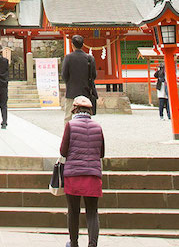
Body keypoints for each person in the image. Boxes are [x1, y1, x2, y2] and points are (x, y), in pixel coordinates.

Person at [60, 95, 104, 247]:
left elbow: (63, 151)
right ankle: (92, 244)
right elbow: (102, 152)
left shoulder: (70, 126)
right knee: (92, 211)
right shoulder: (97, 127)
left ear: (75, 109)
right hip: (92, 174)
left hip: (74, 174)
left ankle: (73, 243)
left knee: (73, 210)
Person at [62, 34, 96, 117]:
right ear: (83, 45)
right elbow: (93, 75)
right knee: (85, 114)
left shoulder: (68, 58)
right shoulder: (89, 58)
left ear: (72, 45)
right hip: (85, 91)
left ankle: (69, 129)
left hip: (71, 91)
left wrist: (69, 83)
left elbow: (64, 75)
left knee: (68, 116)